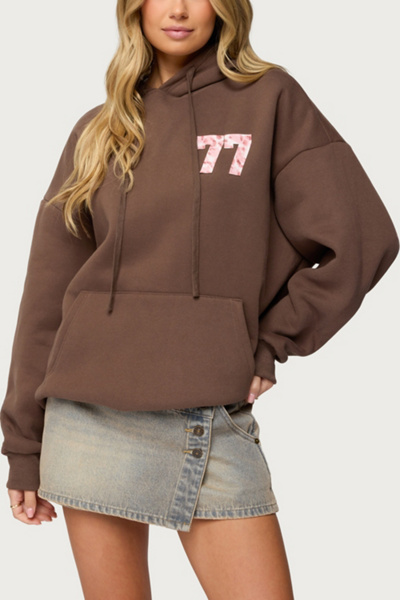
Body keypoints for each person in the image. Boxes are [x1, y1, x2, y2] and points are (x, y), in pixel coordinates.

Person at [1, 0, 398, 598]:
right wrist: (24, 446)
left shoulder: (269, 99)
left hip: (208, 416)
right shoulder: (98, 129)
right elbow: (47, 295)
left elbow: (362, 238)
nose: (180, 9)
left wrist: (270, 341)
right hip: (88, 419)